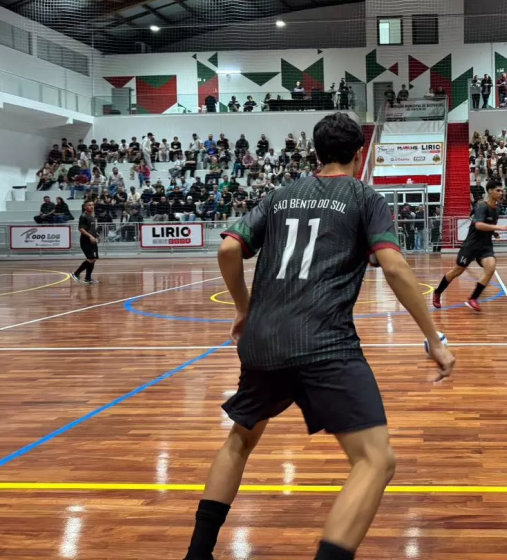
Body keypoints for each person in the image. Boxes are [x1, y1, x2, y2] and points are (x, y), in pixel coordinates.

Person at [182, 113, 455, 560]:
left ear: (315, 153)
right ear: (360, 153)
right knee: (375, 460)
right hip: (322, 340)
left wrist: (243, 307)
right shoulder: (365, 196)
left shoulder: (279, 195)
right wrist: (434, 339)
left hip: (263, 340)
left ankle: (198, 553)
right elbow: (393, 266)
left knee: (240, 440)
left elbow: (229, 247)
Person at [432, 180, 507, 312]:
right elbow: (478, 225)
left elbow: (487, 225)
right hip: (471, 246)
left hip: (485, 247)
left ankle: (473, 298)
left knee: (491, 267)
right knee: (457, 272)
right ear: (490, 191)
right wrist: (500, 227)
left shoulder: (497, 209)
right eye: (498, 190)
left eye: (502, 190)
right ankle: (438, 291)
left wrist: (494, 232)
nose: (501, 192)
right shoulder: (482, 207)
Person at [71, 200, 99, 285]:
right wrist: (90, 236)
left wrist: (96, 235)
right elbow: (81, 229)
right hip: (86, 241)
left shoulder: (91, 216)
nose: (91, 206)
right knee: (90, 259)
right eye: (89, 205)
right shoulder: (83, 216)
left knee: (93, 259)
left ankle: (88, 278)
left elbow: (91, 229)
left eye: (92, 205)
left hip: (92, 241)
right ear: (85, 207)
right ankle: (76, 273)